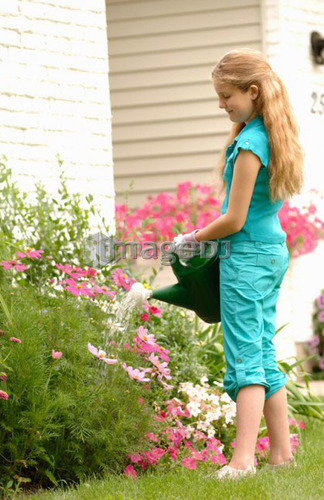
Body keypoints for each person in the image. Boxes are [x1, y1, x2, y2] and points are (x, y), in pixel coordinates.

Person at [175, 48, 304, 479]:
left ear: (252, 91)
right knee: (263, 352)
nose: (221, 104)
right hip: (270, 253)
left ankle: (242, 460)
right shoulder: (270, 133)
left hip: (246, 259)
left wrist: (191, 239)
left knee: (246, 358)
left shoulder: (249, 143)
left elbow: (234, 218)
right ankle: (281, 455)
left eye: (225, 95)